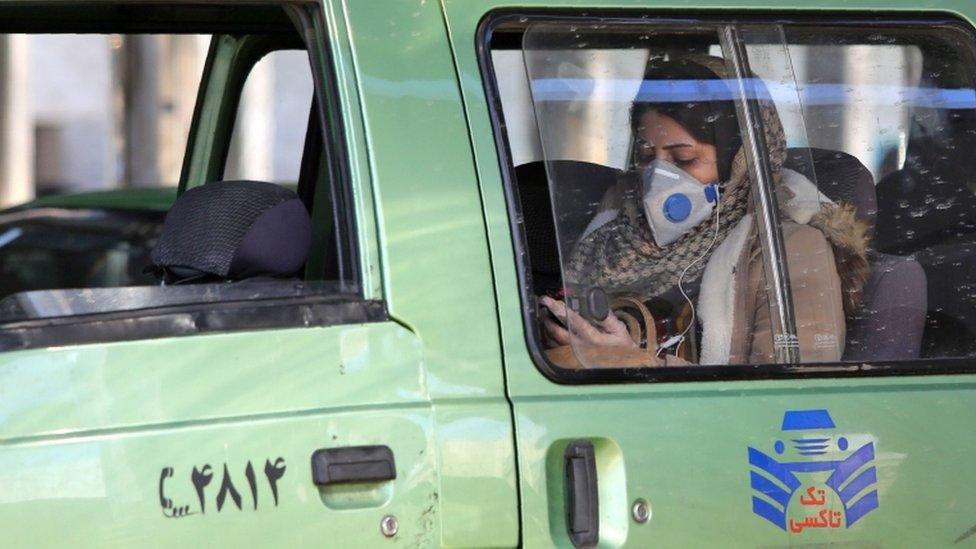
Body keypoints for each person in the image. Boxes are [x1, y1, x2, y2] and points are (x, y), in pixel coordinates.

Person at [540, 56, 871, 366]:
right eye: (645, 156)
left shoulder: (789, 251)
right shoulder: (608, 238)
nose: (659, 177)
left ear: (738, 161)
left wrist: (636, 365)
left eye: (684, 159)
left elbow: (789, 400)